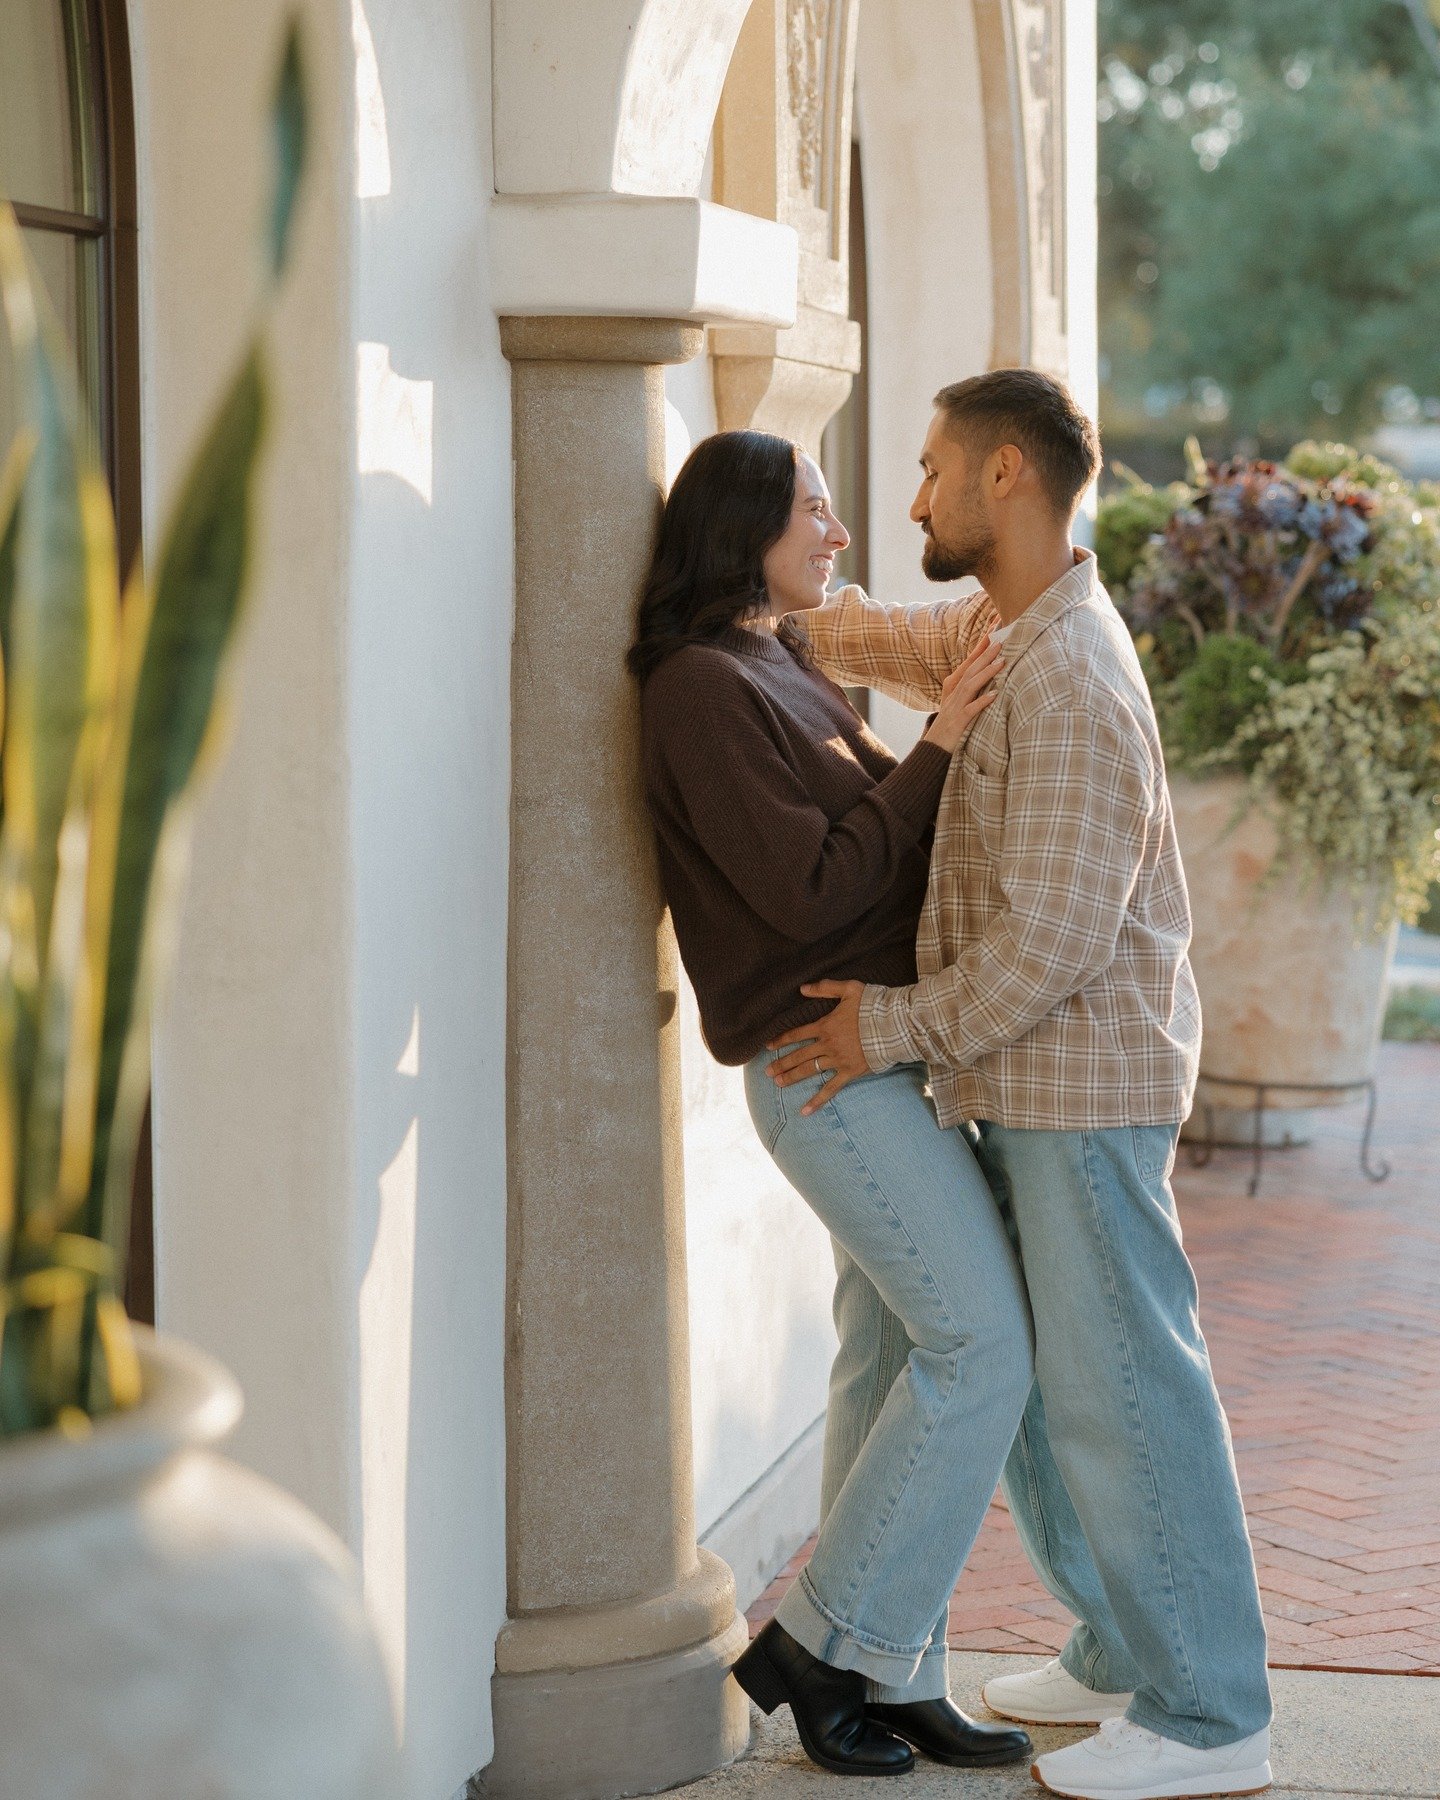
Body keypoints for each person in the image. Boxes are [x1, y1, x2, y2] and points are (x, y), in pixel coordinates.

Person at [766, 369, 1274, 1800]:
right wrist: (748, 577)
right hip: (1021, 1081)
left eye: (929, 471)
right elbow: (878, 636)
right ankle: (1118, 1647)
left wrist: (887, 1030)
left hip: (1084, 1090)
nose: (908, 500)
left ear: (1005, 477)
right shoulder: (1011, 623)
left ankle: (1213, 1714)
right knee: (1056, 1391)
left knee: (1127, 1388)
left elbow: (1051, 944)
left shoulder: (1072, 682)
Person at [631, 428, 1035, 1777]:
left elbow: (867, 845)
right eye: (814, 508)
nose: (839, 532)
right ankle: (814, 1641)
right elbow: (811, 888)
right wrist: (937, 747)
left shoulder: (776, 662)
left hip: (882, 1056)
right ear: (741, 523)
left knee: (888, 1358)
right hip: (824, 1071)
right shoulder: (700, 687)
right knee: (985, 1346)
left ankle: (887, 1670)